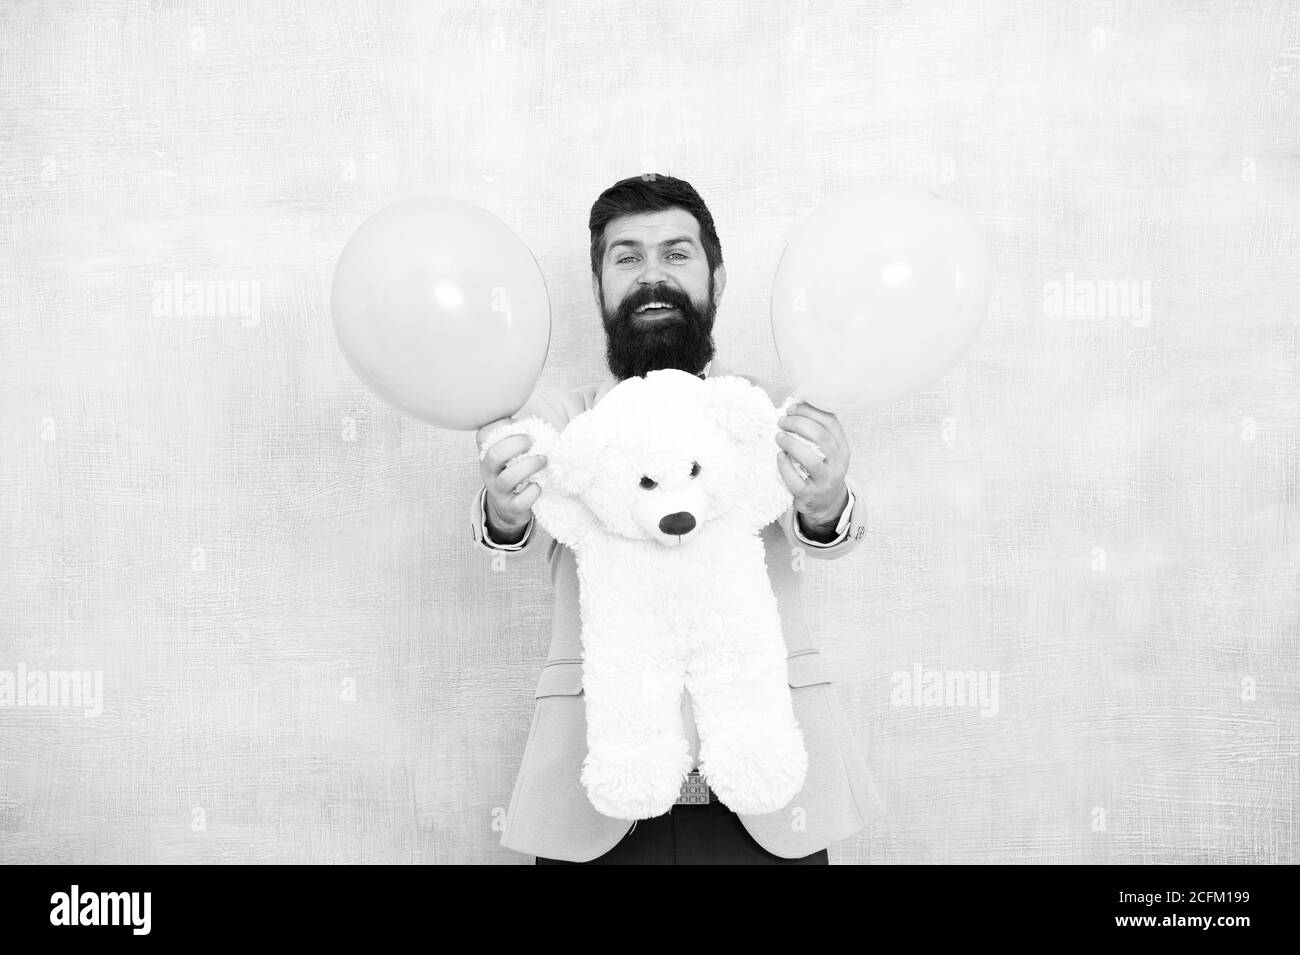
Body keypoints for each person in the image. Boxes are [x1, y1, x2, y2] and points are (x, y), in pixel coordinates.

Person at [470, 174, 886, 864]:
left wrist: (825, 503)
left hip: (769, 797)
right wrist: (503, 511)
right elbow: (507, 519)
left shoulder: (765, 411)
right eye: (627, 257)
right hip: (599, 798)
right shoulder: (561, 421)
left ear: (716, 279)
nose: (651, 275)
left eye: (676, 253)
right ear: (599, 287)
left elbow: (835, 530)